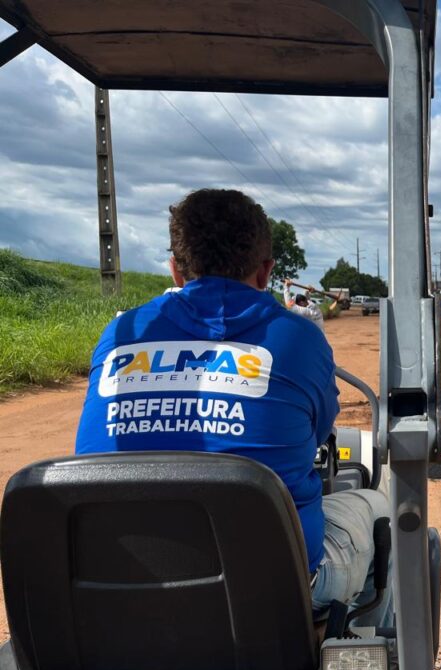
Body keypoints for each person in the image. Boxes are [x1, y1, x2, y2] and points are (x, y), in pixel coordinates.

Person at [75, 189, 382, 619]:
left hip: (119, 585)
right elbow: (317, 431)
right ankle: (350, 642)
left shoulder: (121, 333)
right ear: (266, 271)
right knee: (379, 505)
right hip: (274, 592)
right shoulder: (298, 337)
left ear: (176, 271)